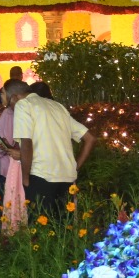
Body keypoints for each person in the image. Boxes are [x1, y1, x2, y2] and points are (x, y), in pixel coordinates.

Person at [12, 80, 94, 215]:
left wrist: (25, 179)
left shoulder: (25, 105)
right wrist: (74, 166)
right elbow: (90, 139)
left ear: (15, 96)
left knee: (40, 228)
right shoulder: (58, 107)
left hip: (41, 175)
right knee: (62, 227)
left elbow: (26, 142)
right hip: (66, 177)